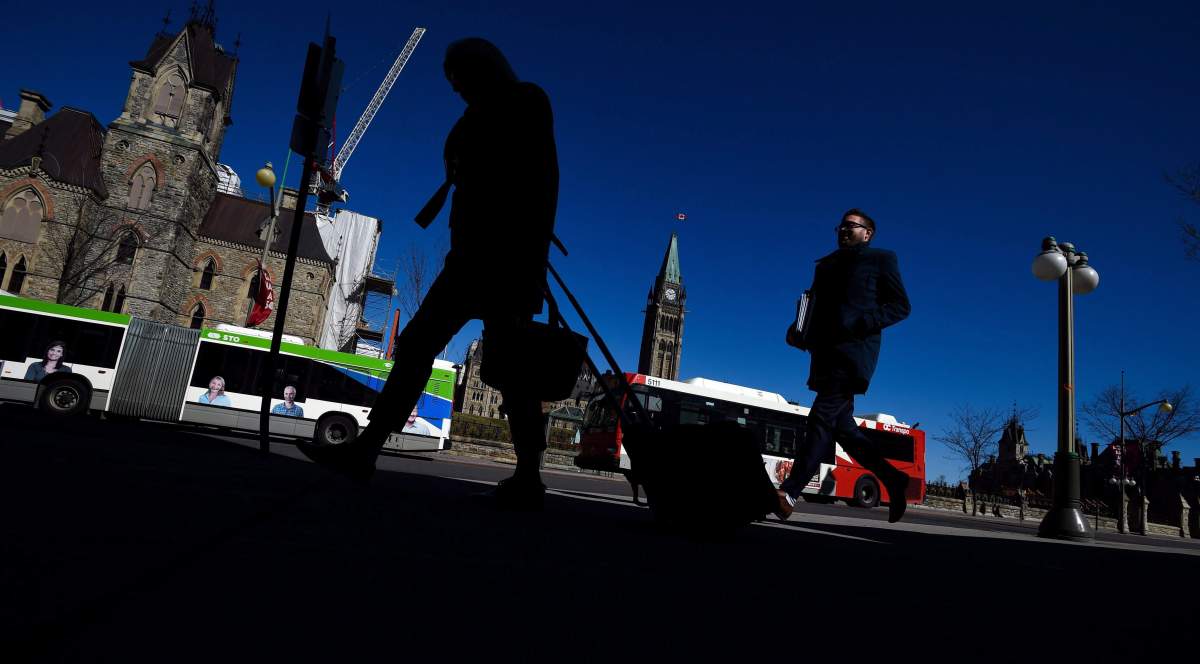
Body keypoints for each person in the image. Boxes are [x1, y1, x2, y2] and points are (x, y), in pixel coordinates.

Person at [298, 37, 559, 509]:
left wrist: (532, 257)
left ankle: (527, 474)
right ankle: (370, 447)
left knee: (513, 371)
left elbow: (542, 184)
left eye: (461, 79)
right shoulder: (474, 115)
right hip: (469, 259)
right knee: (419, 345)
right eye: (453, 84)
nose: (457, 90)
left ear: (484, 69)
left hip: (507, 260)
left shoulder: (526, 100)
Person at [777, 209, 912, 523]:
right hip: (822, 355)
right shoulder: (825, 265)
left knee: (820, 419)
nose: (844, 230)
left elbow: (901, 306)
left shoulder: (881, 259)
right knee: (843, 429)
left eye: (852, 226)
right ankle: (893, 479)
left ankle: (789, 493)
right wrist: (799, 330)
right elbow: (816, 307)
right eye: (841, 226)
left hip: (852, 355)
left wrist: (862, 322)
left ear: (868, 233)